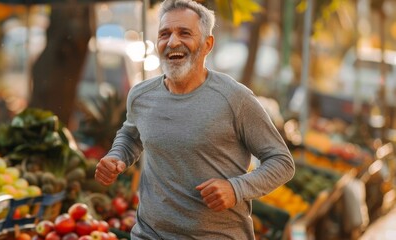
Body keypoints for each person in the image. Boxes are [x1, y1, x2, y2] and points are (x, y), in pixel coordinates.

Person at [94, 0, 295, 239]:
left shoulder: (234, 98)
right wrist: (117, 156)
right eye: (164, 34)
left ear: (207, 44)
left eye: (184, 33)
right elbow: (131, 134)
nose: (172, 42)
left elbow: (282, 161)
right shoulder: (141, 95)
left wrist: (236, 188)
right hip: (149, 233)